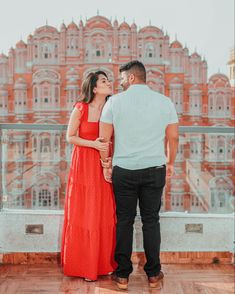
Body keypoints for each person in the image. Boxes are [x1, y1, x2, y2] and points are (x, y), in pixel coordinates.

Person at [99, 60, 179, 290]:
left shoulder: (113, 102)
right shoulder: (164, 102)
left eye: (122, 77)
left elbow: (104, 138)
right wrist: (170, 161)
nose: (120, 81)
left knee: (124, 220)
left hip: (124, 170)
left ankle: (122, 275)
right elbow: (173, 137)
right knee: (151, 221)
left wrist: (106, 165)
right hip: (155, 168)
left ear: (132, 78)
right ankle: (153, 274)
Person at [61, 71, 117, 281]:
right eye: (104, 81)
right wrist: (93, 144)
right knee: (84, 212)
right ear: (94, 88)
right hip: (84, 163)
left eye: (108, 80)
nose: (109, 83)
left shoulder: (111, 108)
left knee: (103, 212)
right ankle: (85, 266)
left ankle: (102, 263)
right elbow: (70, 137)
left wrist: (107, 162)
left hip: (104, 163)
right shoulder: (80, 108)